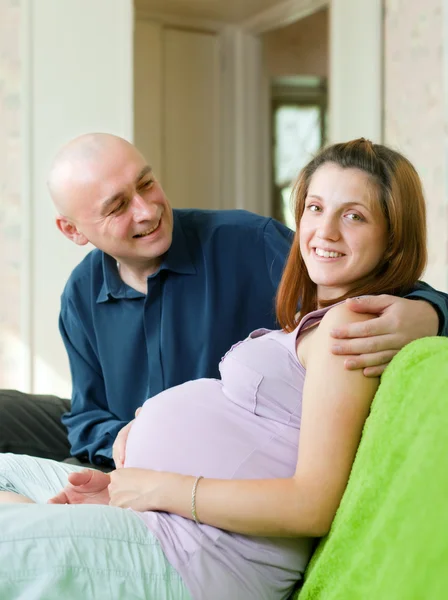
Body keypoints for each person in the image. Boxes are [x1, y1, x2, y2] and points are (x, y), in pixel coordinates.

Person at [0, 139, 444, 600]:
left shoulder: (249, 246)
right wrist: (123, 459)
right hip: (132, 476)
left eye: (147, 184)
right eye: (117, 207)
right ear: (73, 230)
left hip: (190, 533)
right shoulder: (81, 292)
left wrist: (433, 312)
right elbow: (85, 414)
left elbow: (364, 275)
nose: (147, 210)